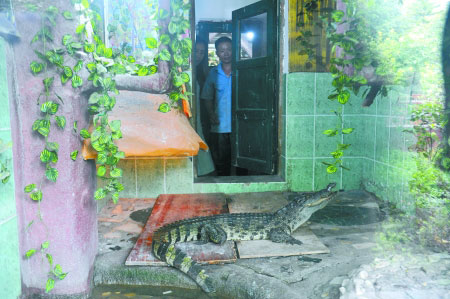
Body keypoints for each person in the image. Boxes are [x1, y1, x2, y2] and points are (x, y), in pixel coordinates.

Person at [200, 36, 233, 176]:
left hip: (240, 125)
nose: (226, 53)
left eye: (229, 49)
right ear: (217, 53)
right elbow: (206, 97)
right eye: (222, 50)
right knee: (221, 162)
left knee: (243, 162)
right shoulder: (213, 73)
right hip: (220, 125)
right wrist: (212, 114)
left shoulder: (243, 70)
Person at [194, 38, 215, 176]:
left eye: (202, 52)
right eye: (196, 51)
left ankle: (202, 170)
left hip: (199, 114)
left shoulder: (202, 71)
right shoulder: (183, 70)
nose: (199, 55)